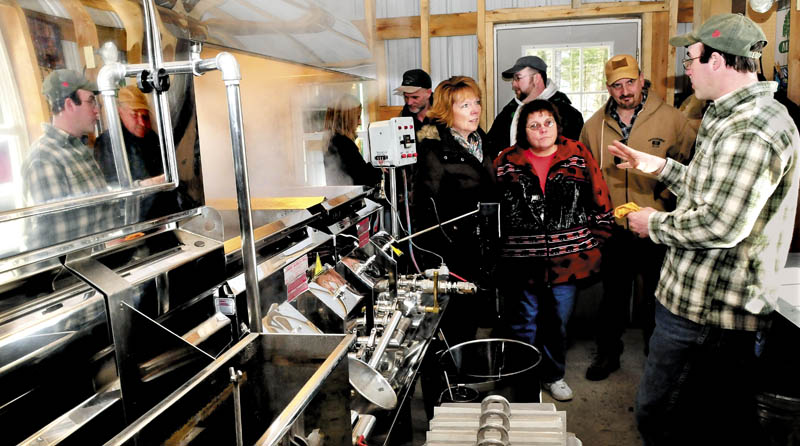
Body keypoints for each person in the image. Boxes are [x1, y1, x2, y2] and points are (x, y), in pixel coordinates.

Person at [608, 13, 800, 444]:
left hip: (710, 314)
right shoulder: (723, 115)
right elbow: (709, 187)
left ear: (719, 61)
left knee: (668, 420)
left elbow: (720, 223)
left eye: (692, 58)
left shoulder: (754, 129)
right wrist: (657, 166)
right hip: (688, 298)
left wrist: (650, 223)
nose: (686, 67)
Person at [579, 54, 696, 381]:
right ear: (608, 88)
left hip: (658, 225)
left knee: (657, 295)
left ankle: (656, 354)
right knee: (613, 295)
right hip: (615, 227)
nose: (625, 90)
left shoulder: (673, 120)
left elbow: (692, 169)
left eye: (630, 82)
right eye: (617, 85)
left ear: (642, 79)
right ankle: (608, 353)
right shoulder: (594, 126)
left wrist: (665, 202)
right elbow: (588, 176)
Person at [493, 99, 613, 401]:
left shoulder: (577, 154)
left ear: (558, 125)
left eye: (548, 122)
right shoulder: (506, 160)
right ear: (523, 130)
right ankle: (525, 380)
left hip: (568, 260)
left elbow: (599, 195)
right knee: (524, 323)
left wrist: (596, 239)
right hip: (522, 261)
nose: (542, 129)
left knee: (557, 322)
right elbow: (492, 210)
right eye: (534, 125)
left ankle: (553, 375)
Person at [412, 75, 496, 346]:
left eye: (477, 102)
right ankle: (446, 386)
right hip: (451, 253)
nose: (475, 110)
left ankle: (462, 380)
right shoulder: (433, 148)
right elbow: (427, 209)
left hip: (479, 247)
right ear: (447, 111)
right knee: (448, 325)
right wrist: (443, 257)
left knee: (469, 322)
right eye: (465, 105)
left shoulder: (479, 139)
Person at [22, 69, 109, 243]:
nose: (97, 111)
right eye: (91, 102)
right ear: (69, 105)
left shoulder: (77, 148)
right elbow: (56, 243)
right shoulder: (44, 159)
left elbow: (102, 205)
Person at [488, 55, 584, 158]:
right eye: (513, 79)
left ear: (536, 78)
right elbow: (491, 146)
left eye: (518, 78)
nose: (513, 85)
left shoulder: (567, 114)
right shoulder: (509, 112)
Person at [95, 85, 164, 187]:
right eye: (134, 115)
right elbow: (114, 186)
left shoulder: (151, 136)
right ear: (120, 112)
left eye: (144, 116)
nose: (142, 123)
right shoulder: (107, 142)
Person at [322, 94, 382, 189]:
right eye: (357, 117)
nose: (360, 122)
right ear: (346, 119)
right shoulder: (343, 143)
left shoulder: (332, 140)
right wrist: (379, 166)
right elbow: (364, 178)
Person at [393, 68, 434, 133]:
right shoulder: (402, 117)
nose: (409, 103)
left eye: (415, 97)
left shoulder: (445, 114)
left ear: (428, 93)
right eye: (406, 97)